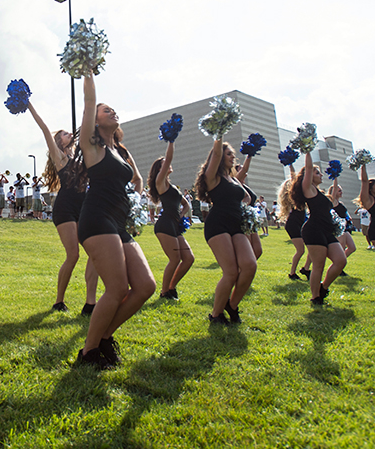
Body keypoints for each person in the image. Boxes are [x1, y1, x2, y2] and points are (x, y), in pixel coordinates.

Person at [74, 72, 154, 369]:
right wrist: (88, 71)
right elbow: (88, 101)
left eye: (113, 109)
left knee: (145, 286)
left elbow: (137, 180)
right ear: (95, 121)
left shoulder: (118, 151)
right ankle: (88, 352)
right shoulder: (92, 147)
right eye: (106, 110)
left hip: (119, 222)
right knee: (117, 288)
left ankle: (105, 337)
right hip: (97, 219)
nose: (113, 112)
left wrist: (137, 200)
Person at [25, 101, 97, 314]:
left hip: (83, 207)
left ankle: (90, 303)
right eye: (65, 134)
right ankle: (59, 301)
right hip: (65, 208)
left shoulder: (80, 156)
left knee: (96, 253)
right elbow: (44, 128)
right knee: (73, 255)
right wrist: (28, 104)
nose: (69, 134)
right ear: (59, 141)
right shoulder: (59, 156)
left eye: (68, 133)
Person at [196, 135, 257, 325]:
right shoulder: (212, 177)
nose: (233, 156)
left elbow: (247, 197)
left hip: (236, 224)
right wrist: (219, 132)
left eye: (233, 154)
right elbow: (215, 154)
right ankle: (216, 315)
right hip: (218, 224)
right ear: (220, 156)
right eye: (229, 154)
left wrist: (245, 210)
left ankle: (232, 305)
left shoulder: (233, 179)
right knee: (230, 272)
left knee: (250, 265)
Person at [291, 151, 346, 305]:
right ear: (309, 176)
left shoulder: (319, 192)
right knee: (318, 265)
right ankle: (315, 297)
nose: (321, 175)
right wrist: (308, 150)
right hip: (313, 230)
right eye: (317, 173)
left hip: (327, 230)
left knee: (341, 260)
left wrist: (335, 177)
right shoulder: (308, 189)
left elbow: (333, 198)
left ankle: (323, 287)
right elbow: (308, 168)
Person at [147, 139, 194, 300]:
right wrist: (171, 141)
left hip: (175, 225)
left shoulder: (172, 187)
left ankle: (171, 287)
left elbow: (186, 205)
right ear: (160, 169)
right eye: (164, 164)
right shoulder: (160, 182)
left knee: (188, 258)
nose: (168, 165)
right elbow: (169, 158)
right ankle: (164, 292)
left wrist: (181, 216)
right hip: (165, 224)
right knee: (174, 259)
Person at [278, 168, 307, 281]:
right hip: (293, 224)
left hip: (300, 223)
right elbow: (294, 178)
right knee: (301, 250)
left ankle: (306, 268)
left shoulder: (300, 195)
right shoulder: (294, 197)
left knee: (311, 247)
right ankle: (292, 273)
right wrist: (290, 165)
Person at [329, 182, 356, 269]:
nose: (341, 192)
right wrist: (335, 178)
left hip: (345, 228)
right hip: (338, 229)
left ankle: (339, 263)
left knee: (352, 248)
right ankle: (338, 266)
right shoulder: (332, 202)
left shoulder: (340, 203)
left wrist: (349, 218)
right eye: (339, 191)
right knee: (342, 247)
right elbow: (333, 193)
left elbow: (345, 213)